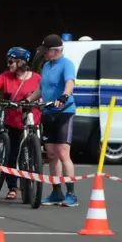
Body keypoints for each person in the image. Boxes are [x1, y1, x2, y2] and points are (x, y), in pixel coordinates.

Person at [0, 46, 42, 174]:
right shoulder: (6, 76)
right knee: (12, 155)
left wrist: (41, 101)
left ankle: (30, 183)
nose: (8, 65)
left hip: (31, 122)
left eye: (11, 61)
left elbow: (44, 92)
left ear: (21, 62)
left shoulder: (37, 78)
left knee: (31, 155)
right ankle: (12, 187)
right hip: (13, 121)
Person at [37, 34, 79, 206]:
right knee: (52, 155)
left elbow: (70, 83)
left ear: (55, 51)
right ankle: (56, 193)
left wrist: (64, 96)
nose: (44, 54)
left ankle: (71, 194)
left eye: (46, 51)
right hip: (48, 112)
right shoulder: (46, 66)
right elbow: (41, 89)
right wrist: (26, 100)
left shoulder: (67, 64)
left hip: (64, 111)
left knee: (63, 154)